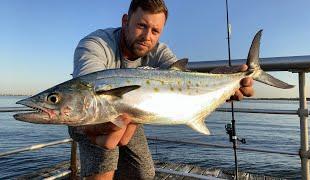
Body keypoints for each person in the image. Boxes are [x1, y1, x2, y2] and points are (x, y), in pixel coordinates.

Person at [69, 0, 254, 179]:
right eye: (141, 25)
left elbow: (183, 82)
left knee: (143, 173)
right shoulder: (96, 44)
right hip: (87, 116)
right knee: (106, 155)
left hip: (132, 116)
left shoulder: (159, 52)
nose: (147, 36)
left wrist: (221, 81)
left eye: (155, 31)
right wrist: (93, 126)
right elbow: (87, 92)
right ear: (125, 21)